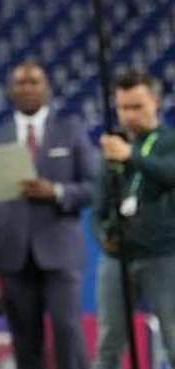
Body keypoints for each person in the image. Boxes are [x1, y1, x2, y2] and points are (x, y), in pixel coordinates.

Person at [0, 60, 97, 369]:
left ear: (47, 88)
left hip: (60, 254)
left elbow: (95, 188)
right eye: (20, 83)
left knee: (67, 331)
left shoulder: (71, 133)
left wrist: (55, 192)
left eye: (34, 82)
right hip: (13, 257)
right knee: (25, 341)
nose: (27, 89)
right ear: (10, 91)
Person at [92, 70, 175, 369]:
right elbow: (98, 205)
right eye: (123, 108)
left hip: (165, 255)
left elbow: (169, 174)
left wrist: (131, 156)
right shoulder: (112, 149)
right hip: (117, 259)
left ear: (155, 102)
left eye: (137, 106)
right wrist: (103, 234)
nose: (129, 115)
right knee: (108, 343)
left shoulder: (169, 141)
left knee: (173, 336)